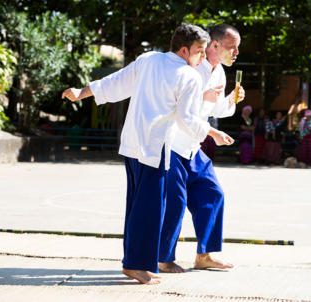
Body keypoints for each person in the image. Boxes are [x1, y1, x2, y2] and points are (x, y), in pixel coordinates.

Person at [61, 23, 234, 284]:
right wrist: (213, 133)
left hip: (132, 145)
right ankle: (136, 265)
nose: (201, 57)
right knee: (150, 210)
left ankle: (136, 262)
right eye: (199, 51)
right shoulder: (189, 76)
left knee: (137, 207)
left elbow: (116, 83)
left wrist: (81, 92)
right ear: (185, 50)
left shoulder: (149, 59)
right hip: (155, 149)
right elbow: (187, 119)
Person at [159, 24, 244, 273]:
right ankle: (164, 258)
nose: (236, 52)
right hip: (173, 144)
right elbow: (180, 112)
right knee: (175, 202)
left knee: (212, 194)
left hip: (194, 147)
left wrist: (231, 100)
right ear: (214, 46)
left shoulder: (219, 73)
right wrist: (212, 130)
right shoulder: (191, 69)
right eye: (232, 47)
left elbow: (217, 110)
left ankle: (204, 255)